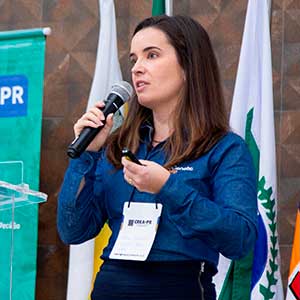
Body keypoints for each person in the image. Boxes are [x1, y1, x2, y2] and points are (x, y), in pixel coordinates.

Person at [57, 15, 258, 300]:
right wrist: (86, 156)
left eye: (151, 55)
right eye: (134, 60)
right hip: (111, 286)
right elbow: (73, 230)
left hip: (180, 287)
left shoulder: (224, 148)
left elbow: (240, 239)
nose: (137, 68)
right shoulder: (118, 147)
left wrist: (167, 187)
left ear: (189, 66)